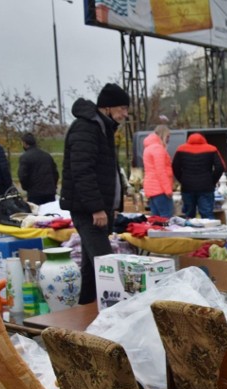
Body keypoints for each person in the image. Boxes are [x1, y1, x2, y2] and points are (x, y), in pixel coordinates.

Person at [60, 82, 129, 305]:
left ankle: (84, 310)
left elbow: (105, 172)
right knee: (105, 264)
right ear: (107, 107)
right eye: (122, 108)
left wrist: (112, 208)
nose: (125, 114)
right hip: (88, 209)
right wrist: (97, 208)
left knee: (92, 267)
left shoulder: (102, 128)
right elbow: (82, 170)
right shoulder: (87, 127)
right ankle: (111, 315)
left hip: (99, 208)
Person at [171, 132, 224, 219]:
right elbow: (221, 167)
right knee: (207, 215)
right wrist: (212, 181)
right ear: (204, 140)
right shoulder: (211, 149)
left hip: (187, 187)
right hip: (206, 187)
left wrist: (183, 180)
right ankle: (209, 232)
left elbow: (175, 167)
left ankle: (189, 232)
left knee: (189, 216)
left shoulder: (181, 149)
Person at [142, 125, 175, 218]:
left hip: (152, 189)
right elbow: (161, 171)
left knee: (156, 219)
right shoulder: (158, 149)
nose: (168, 139)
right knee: (166, 218)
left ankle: (157, 232)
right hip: (160, 189)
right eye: (168, 136)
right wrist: (168, 190)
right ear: (163, 135)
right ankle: (166, 233)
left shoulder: (148, 148)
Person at [17, 132, 59, 205]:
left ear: (25, 143)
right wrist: (53, 186)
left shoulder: (25, 157)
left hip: (34, 193)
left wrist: (26, 188)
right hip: (50, 192)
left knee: (37, 214)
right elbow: (55, 173)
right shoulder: (47, 156)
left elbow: (23, 176)